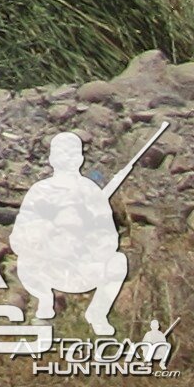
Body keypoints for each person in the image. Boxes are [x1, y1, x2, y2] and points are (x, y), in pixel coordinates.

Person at [13, 131, 130, 335]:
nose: (67, 157)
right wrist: (46, 234)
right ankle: (44, 308)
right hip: (48, 265)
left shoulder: (91, 191)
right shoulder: (40, 191)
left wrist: (88, 234)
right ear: (52, 158)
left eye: (72, 152)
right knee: (25, 262)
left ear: (80, 158)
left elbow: (109, 237)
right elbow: (19, 236)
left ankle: (97, 314)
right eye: (61, 152)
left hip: (81, 266)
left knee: (118, 262)